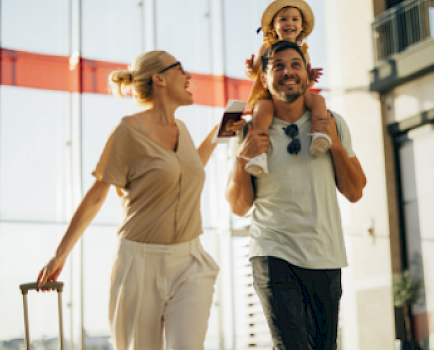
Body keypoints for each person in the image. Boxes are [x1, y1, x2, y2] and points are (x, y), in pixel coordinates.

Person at [37, 50, 244, 350]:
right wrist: (60, 254)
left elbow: (188, 169)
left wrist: (217, 133)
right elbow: (97, 195)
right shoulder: (128, 131)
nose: (189, 77)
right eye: (180, 69)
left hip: (189, 262)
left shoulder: (182, 129)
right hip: (138, 264)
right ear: (159, 78)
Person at [226, 41, 366, 349]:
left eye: (295, 64)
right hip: (273, 250)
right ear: (264, 78)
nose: (288, 71)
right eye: (278, 66)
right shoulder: (246, 131)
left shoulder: (332, 122)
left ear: (306, 75)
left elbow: (355, 191)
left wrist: (335, 145)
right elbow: (239, 206)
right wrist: (241, 161)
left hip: (324, 253)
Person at [244, 0, 331, 177]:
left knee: (318, 101)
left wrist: (310, 78)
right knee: (262, 111)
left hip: (295, 94)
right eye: (283, 19)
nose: (289, 23)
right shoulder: (266, 46)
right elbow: (255, 72)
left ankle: (319, 134)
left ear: (301, 26)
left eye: (294, 19)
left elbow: (300, 81)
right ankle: (259, 154)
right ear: (273, 26)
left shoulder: (303, 52)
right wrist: (250, 68)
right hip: (269, 94)